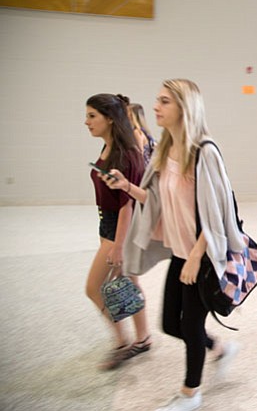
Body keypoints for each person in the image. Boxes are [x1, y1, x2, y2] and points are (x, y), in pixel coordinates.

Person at [102, 79, 240, 411]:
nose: (155, 107)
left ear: (184, 107)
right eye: (157, 100)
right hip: (181, 253)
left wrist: (195, 257)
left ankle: (191, 393)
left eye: (164, 101)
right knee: (169, 324)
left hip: (202, 255)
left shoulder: (204, 152)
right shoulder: (165, 150)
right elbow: (159, 202)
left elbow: (218, 213)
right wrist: (127, 187)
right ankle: (220, 347)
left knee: (190, 324)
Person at [84, 93, 151, 370]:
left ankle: (123, 343)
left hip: (118, 229)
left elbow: (127, 205)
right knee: (130, 285)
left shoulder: (123, 154)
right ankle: (143, 338)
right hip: (109, 226)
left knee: (93, 289)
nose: (86, 122)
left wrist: (118, 245)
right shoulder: (110, 148)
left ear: (110, 119)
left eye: (92, 116)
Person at [126, 100, 157, 166]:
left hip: (143, 169)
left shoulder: (137, 132)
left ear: (132, 115)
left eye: (126, 112)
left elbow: (139, 154)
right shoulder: (143, 131)